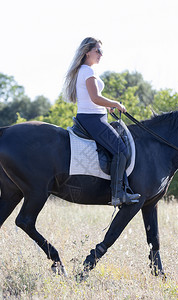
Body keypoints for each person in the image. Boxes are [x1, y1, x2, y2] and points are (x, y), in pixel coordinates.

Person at [63, 37, 140, 206]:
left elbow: (94, 100)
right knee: (121, 150)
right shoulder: (88, 72)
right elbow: (95, 98)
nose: (101, 55)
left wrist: (107, 108)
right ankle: (118, 194)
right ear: (87, 52)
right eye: (98, 51)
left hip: (92, 116)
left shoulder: (84, 71)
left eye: (101, 51)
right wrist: (115, 104)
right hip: (91, 119)